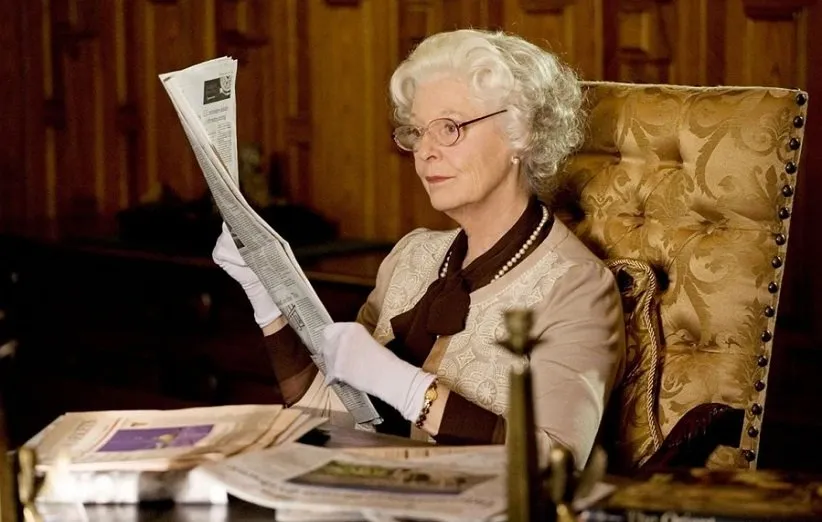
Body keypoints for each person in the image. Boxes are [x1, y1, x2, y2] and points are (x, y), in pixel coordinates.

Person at [213, 29, 625, 466]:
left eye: (449, 128)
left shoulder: (578, 287)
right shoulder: (410, 257)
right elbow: (335, 420)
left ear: (521, 132)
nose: (425, 151)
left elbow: (554, 463)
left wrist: (409, 390)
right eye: (416, 131)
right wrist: (266, 298)